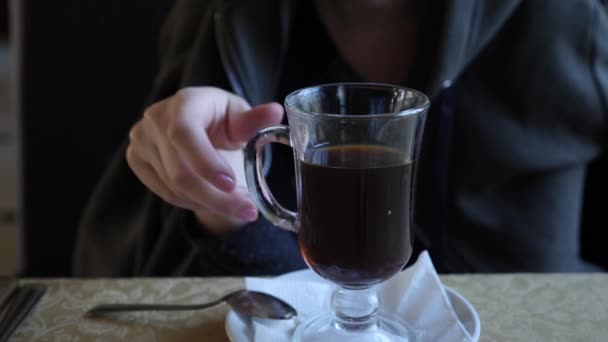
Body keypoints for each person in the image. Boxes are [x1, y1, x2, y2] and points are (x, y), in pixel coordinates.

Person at [73, 0, 608, 276]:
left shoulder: (559, 25)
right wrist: (225, 199)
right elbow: (188, 289)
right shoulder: (220, 19)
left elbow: (535, 297)